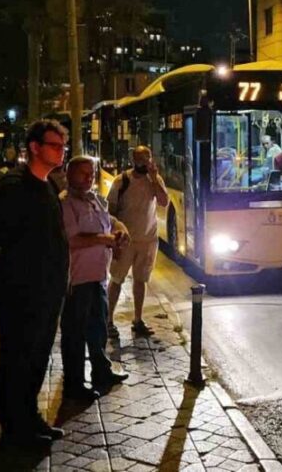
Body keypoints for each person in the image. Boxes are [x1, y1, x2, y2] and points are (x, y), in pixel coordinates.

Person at [0, 120, 71, 450]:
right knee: (17, 360)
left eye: (63, 147)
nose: (61, 152)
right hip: (21, 294)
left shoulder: (46, 185)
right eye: (55, 146)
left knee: (37, 359)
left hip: (47, 294)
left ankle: (30, 419)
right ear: (34, 147)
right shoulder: (14, 187)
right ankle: (14, 430)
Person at [59, 156, 130, 401]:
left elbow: (108, 226)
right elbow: (72, 240)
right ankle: (74, 383)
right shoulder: (65, 204)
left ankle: (102, 370)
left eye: (91, 173)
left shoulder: (96, 199)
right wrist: (104, 240)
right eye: (82, 173)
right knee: (74, 333)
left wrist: (117, 235)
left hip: (98, 276)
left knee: (98, 328)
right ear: (69, 175)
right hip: (76, 280)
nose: (88, 178)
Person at [106, 146, 169, 338]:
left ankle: (138, 319)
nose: (144, 162)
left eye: (147, 158)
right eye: (140, 159)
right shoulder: (122, 180)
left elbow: (164, 201)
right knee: (117, 279)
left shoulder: (154, 180)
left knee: (141, 280)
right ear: (133, 159)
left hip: (148, 239)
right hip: (126, 241)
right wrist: (114, 239)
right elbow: (111, 210)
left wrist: (155, 178)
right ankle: (108, 321)